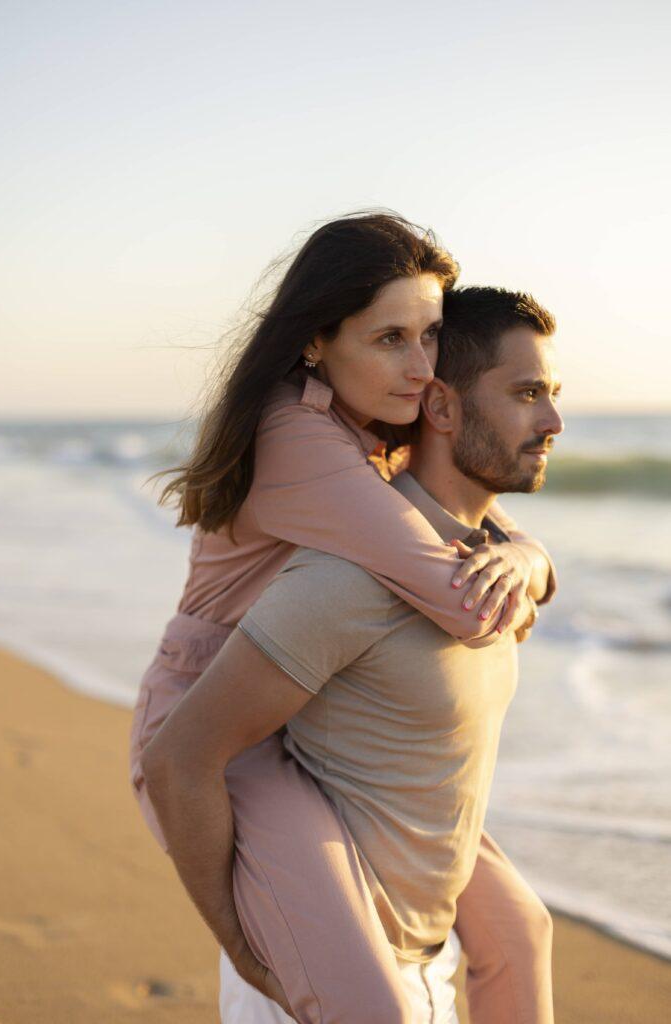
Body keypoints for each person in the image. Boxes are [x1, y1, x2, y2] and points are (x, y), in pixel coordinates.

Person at [130, 215, 557, 1022]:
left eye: (430, 335)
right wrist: (235, 933)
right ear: (315, 341)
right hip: (215, 712)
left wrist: (529, 555)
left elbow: (451, 517)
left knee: (519, 928)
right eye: (389, 337)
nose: (420, 368)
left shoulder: (371, 419)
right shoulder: (296, 432)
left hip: (297, 692)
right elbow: (453, 597)